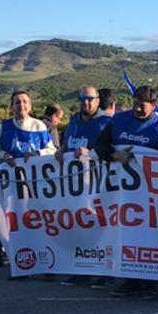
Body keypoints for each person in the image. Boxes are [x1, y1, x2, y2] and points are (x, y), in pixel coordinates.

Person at [96, 85, 158, 298]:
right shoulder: (118, 121)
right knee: (126, 233)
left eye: (143, 106)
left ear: (154, 106)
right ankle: (130, 280)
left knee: (148, 234)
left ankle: (149, 283)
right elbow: (100, 144)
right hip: (122, 192)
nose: (138, 109)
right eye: (136, 104)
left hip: (151, 194)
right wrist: (113, 154)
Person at [58, 86, 112, 285]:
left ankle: (103, 272)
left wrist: (90, 152)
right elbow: (67, 142)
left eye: (90, 99)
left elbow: (110, 149)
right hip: (74, 186)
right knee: (78, 226)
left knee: (99, 228)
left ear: (98, 100)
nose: (86, 102)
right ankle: (80, 268)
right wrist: (62, 149)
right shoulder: (73, 121)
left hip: (98, 185)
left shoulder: (107, 122)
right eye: (82, 98)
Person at [0, 89, 57, 164]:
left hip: (34, 173)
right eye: (17, 102)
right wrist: (4, 155)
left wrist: (37, 153)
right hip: (11, 172)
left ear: (30, 106)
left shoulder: (38, 126)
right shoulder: (3, 127)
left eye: (25, 102)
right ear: (11, 107)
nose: (21, 105)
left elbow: (52, 150)